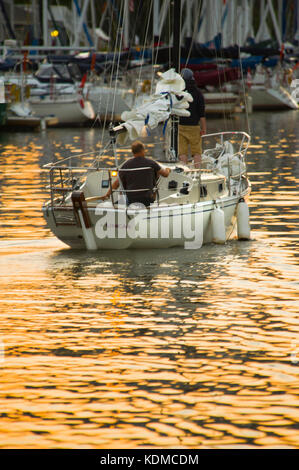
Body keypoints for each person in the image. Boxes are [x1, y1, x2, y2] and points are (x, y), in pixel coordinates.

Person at [101, 140, 171, 206]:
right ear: (142, 150)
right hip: (147, 200)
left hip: (131, 200)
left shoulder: (126, 165)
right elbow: (165, 174)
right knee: (156, 177)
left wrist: (107, 195)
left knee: (122, 188)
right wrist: (168, 169)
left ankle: (119, 209)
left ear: (133, 152)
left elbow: (116, 183)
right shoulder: (150, 163)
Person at [179, 68, 207, 168]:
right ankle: (197, 172)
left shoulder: (178, 92)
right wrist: (203, 128)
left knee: (182, 152)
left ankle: (184, 171)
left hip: (180, 126)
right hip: (194, 126)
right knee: (197, 151)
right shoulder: (198, 93)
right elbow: (202, 114)